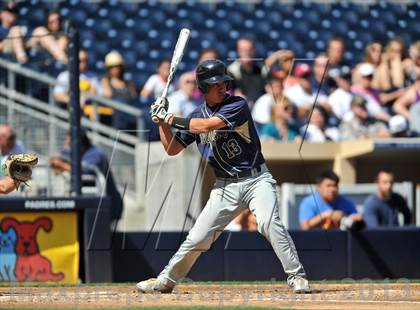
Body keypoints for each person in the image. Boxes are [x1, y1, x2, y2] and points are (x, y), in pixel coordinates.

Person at [137, 59, 310, 294]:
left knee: (268, 223)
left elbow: (207, 126)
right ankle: (166, 280)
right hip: (224, 186)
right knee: (198, 238)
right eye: (216, 84)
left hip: (256, 179)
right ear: (203, 88)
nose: (222, 87)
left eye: (223, 83)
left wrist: (168, 118)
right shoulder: (194, 114)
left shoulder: (237, 104)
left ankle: (296, 276)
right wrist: (161, 123)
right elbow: (172, 149)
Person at [49, 131, 123, 222]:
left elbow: (85, 170)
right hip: (92, 209)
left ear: (79, 144)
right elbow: (63, 162)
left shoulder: (96, 154)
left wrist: (61, 165)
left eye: (70, 145)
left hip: (109, 208)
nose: (68, 149)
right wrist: (58, 165)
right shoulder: (78, 154)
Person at [299, 171, 364, 230]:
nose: (332, 189)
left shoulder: (346, 202)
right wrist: (326, 215)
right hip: (315, 240)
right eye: (328, 186)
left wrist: (350, 218)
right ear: (318, 187)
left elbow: (360, 222)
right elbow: (305, 227)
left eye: (335, 185)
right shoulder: (309, 202)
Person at [101, 51, 137, 130]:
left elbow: (133, 97)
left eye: (118, 66)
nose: (116, 69)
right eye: (112, 67)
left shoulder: (128, 83)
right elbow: (108, 96)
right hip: (116, 115)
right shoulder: (106, 81)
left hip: (129, 113)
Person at [228, 37, 266, 104]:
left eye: (249, 50)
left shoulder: (263, 70)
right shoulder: (231, 71)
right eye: (242, 50)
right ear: (238, 51)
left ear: (254, 50)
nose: (246, 53)